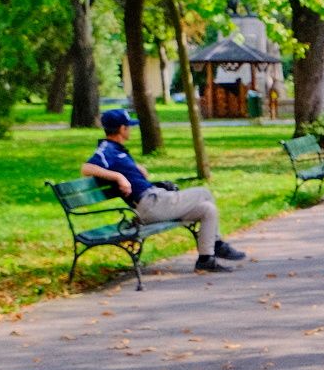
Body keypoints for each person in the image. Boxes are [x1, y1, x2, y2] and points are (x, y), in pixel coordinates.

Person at [81, 109, 243, 274]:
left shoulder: (118, 150)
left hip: (155, 201)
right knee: (203, 192)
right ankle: (218, 244)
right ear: (122, 129)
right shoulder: (107, 148)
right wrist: (118, 177)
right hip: (151, 205)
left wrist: (136, 170)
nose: (130, 130)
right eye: (128, 127)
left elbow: (121, 167)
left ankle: (205, 259)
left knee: (208, 209)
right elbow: (86, 168)